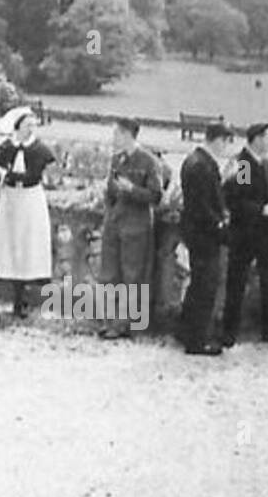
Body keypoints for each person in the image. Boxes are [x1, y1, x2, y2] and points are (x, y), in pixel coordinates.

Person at [221, 122, 268, 346]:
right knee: (237, 282)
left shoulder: (265, 164)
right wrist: (259, 209)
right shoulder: (244, 165)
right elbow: (236, 199)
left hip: (266, 234)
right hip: (246, 234)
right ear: (257, 139)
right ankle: (229, 331)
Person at [0, 106, 56, 317]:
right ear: (17, 126)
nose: (30, 129)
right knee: (10, 243)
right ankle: (8, 295)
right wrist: (1, 174)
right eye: (27, 125)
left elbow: (37, 173)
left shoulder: (39, 149)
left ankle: (24, 299)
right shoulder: (7, 146)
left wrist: (11, 176)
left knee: (28, 244)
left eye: (32, 125)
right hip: (11, 199)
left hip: (30, 199)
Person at [99, 117, 163, 339]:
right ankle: (109, 321)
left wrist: (132, 190)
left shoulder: (148, 161)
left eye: (116, 133)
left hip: (136, 226)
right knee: (110, 273)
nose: (113, 138)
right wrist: (110, 209)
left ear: (127, 134)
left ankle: (125, 323)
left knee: (132, 275)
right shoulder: (116, 159)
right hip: (115, 223)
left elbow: (156, 195)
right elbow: (110, 191)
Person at [177, 121, 232, 355]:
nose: (226, 147)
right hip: (204, 233)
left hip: (198, 231)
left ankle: (187, 330)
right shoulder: (202, 165)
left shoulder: (197, 160)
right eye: (226, 142)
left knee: (199, 284)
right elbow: (202, 205)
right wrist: (220, 224)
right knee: (205, 286)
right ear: (219, 140)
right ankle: (197, 339)